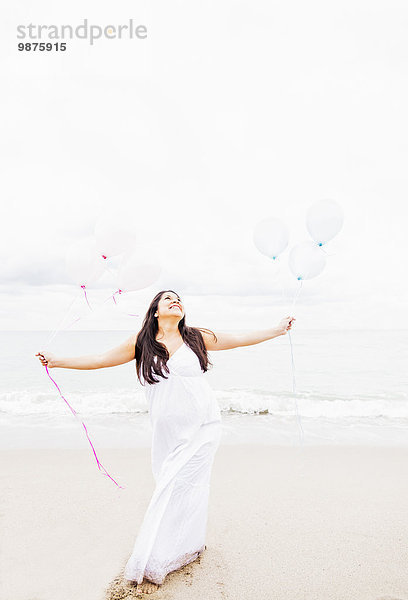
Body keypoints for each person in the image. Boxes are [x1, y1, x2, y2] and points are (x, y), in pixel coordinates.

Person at [36, 289, 295, 594]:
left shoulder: (197, 337)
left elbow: (238, 338)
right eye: (167, 298)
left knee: (181, 488)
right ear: (156, 311)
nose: (175, 301)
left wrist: (277, 330)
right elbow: (100, 359)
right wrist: (58, 361)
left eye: (179, 299)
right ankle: (186, 542)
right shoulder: (141, 342)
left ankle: (157, 555)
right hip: (168, 436)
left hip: (204, 428)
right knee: (171, 487)